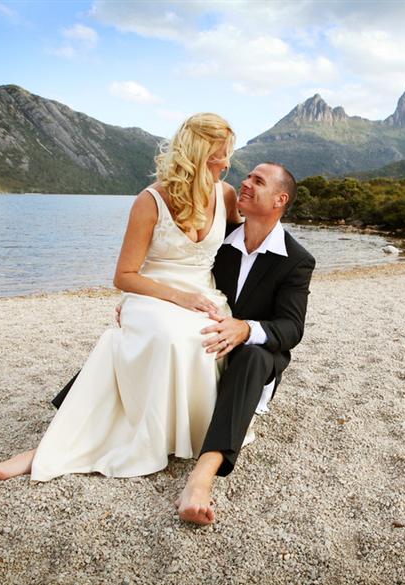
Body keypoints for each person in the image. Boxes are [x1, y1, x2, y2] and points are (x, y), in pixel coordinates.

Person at [0, 112, 241, 487]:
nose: (228, 163)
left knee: (203, 338)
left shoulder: (226, 195)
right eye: (220, 155)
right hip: (154, 294)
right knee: (166, 337)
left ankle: (190, 433)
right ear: (198, 155)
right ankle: (60, 450)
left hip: (204, 295)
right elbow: (124, 276)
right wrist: (178, 297)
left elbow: (244, 248)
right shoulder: (150, 201)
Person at [52, 162, 316, 525]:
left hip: (251, 356)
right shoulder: (220, 241)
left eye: (258, 181)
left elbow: (291, 328)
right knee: (152, 331)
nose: (245, 182)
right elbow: (181, 275)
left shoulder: (297, 260)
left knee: (253, 357)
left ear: (279, 199)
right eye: (248, 176)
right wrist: (142, 303)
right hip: (202, 340)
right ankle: (79, 403)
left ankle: (203, 474)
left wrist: (245, 329)